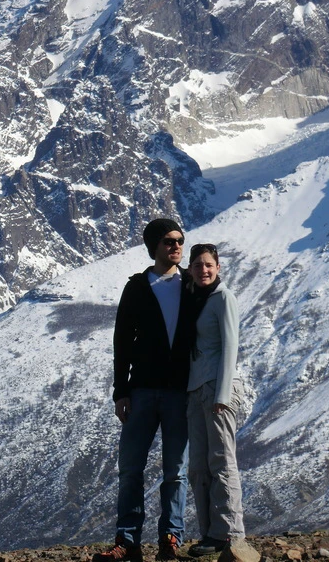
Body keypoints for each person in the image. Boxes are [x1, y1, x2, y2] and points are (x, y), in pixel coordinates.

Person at [98, 218, 194, 562]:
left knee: (176, 471)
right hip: (140, 392)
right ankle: (127, 542)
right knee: (131, 469)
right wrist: (120, 391)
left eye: (180, 240)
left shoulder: (192, 285)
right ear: (154, 245)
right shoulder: (137, 287)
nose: (177, 246)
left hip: (180, 392)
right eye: (169, 241)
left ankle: (171, 537)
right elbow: (122, 340)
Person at [185, 243, 245, 557]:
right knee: (198, 466)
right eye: (198, 265)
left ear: (218, 267)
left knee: (221, 460)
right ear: (190, 269)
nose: (204, 270)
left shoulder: (224, 298)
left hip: (218, 389)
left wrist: (222, 394)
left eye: (209, 265)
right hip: (196, 389)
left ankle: (228, 533)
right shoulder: (198, 301)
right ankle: (209, 533)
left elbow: (230, 346)